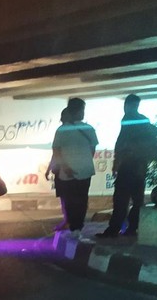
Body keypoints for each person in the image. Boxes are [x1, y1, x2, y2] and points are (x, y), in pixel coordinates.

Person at [97, 94, 156, 238]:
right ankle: (132, 228)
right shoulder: (144, 120)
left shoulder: (128, 119)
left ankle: (114, 228)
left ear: (129, 105)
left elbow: (122, 143)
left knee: (121, 198)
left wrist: (117, 163)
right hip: (140, 165)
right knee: (137, 199)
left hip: (128, 164)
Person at [50, 98, 98, 239]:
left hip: (67, 173)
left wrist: (65, 166)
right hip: (85, 171)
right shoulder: (88, 128)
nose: (83, 113)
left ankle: (73, 228)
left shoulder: (62, 130)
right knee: (82, 200)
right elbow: (92, 148)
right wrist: (84, 161)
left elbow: (56, 150)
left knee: (70, 201)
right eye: (82, 110)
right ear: (77, 111)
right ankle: (78, 227)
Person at [45, 108, 72, 231]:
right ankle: (70, 221)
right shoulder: (72, 131)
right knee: (68, 197)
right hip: (66, 169)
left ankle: (68, 221)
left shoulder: (61, 131)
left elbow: (56, 152)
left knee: (65, 198)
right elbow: (55, 153)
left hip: (62, 170)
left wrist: (50, 168)